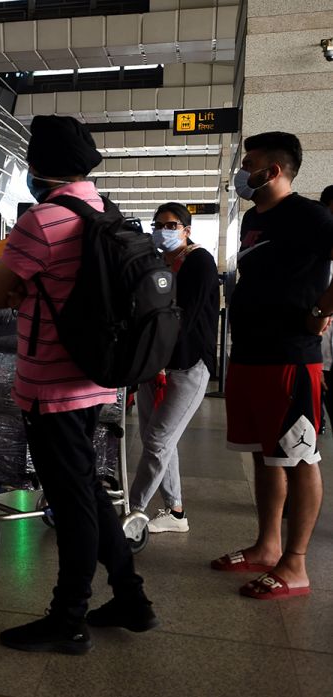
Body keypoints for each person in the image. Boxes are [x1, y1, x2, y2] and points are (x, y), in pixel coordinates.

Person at [0, 115, 157, 655]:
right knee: (87, 491)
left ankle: (69, 617)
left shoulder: (44, 219)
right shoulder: (109, 213)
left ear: (36, 166)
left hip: (51, 386)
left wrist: (22, 289)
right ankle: (131, 598)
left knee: (73, 501)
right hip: (96, 378)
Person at [213, 131, 333, 600]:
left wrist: (322, 311)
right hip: (249, 354)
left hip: (290, 357)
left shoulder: (310, 216)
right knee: (266, 454)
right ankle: (267, 546)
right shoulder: (252, 219)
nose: (242, 172)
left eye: (249, 163)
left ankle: (296, 565)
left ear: (274, 171)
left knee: (299, 457)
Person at [129, 203, 219, 533]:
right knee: (160, 440)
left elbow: (187, 317)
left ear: (186, 229)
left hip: (187, 365)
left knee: (157, 442)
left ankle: (133, 512)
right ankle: (176, 511)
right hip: (153, 365)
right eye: (157, 225)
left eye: (170, 225)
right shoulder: (154, 262)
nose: (162, 231)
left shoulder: (199, 261)